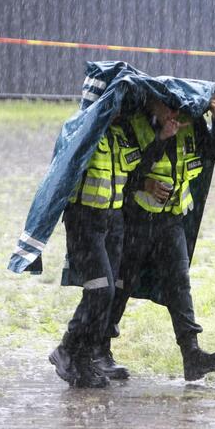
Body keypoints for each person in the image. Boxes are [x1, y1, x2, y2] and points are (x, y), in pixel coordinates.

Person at [98, 94, 215, 381]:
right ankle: (101, 349)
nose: (174, 111)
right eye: (166, 105)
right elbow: (122, 171)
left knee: (179, 284)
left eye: (178, 106)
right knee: (121, 284)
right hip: (137, 220)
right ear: (150, 103)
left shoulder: (191, 124)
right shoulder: (135, 126)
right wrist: (159, 146)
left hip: (172, 220)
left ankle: (192, 355)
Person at [48, 113, 144, 388]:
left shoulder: (120, 134)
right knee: (100, 289)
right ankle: (68, 349)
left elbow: (136, 170)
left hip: (112, 220)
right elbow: (61, 171)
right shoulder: (83, 130)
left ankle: (84, 359)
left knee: (109, 290)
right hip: (84, 220)